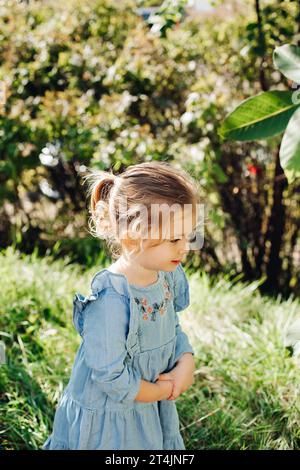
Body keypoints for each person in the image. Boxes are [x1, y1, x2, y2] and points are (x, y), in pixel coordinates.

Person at [42, 161, 201, 450]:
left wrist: (185, 359)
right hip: (110, 418)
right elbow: (110, 375)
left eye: (188, 236)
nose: (185, 247)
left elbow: (172, 327)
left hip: (150, 406)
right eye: (175, 238)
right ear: (132, 236)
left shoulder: (167, 276)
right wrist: (159, 390)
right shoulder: (112, 300)